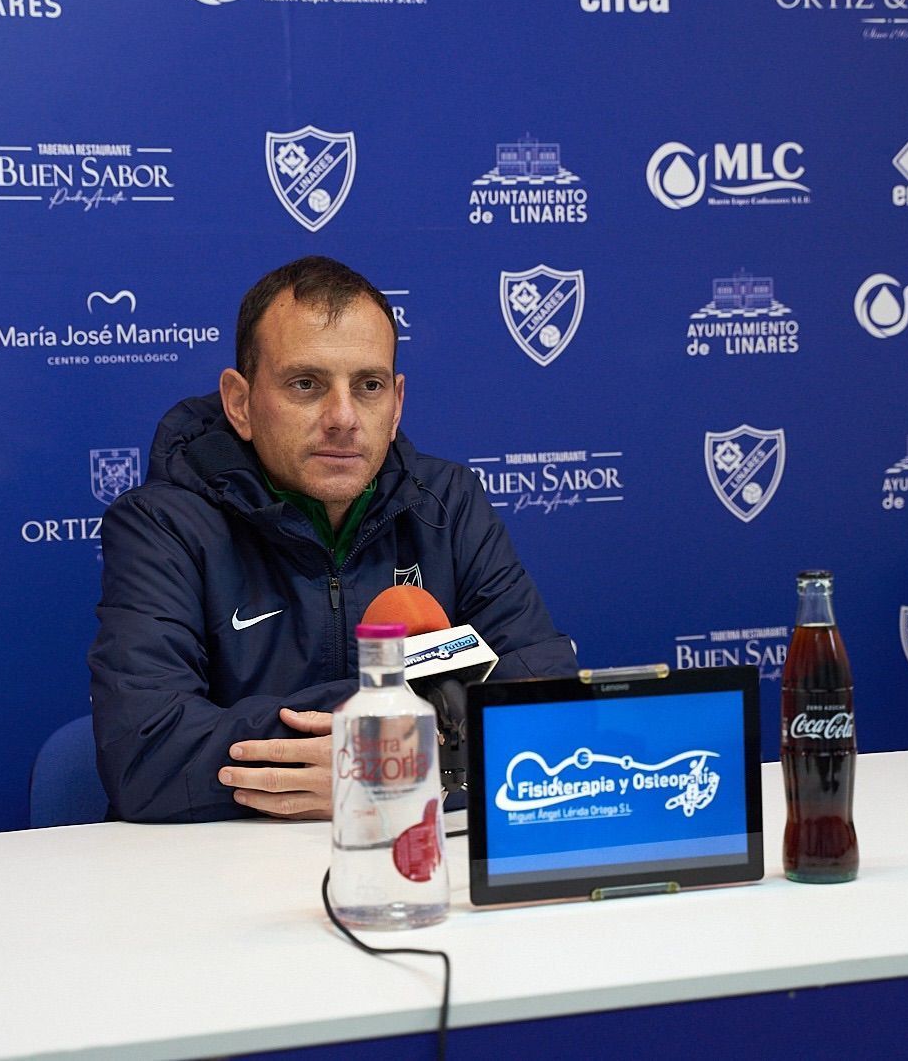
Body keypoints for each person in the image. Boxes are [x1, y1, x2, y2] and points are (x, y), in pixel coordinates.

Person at [89, 256, 576, 823]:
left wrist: (395, 770)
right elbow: (146, 755)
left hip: (413, 859)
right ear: (240, 404)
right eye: (306, 384)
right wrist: (399, 736)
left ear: (395, 405)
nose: (343, 417)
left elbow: (551, 711)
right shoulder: (162, 524)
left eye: (368, 386)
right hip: (223, 873)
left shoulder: (450, 504)